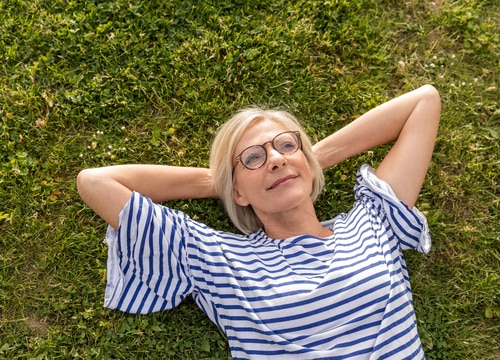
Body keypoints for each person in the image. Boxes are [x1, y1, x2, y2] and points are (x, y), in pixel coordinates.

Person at [77, 84, 441, 359]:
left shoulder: (373, 221)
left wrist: (307, 162)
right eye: (252, 157)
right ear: (237, 194)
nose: (275, 160)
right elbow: (96, 182)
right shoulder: (220, 260)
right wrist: (221, 181)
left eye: (285, 145)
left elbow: (424, 102)